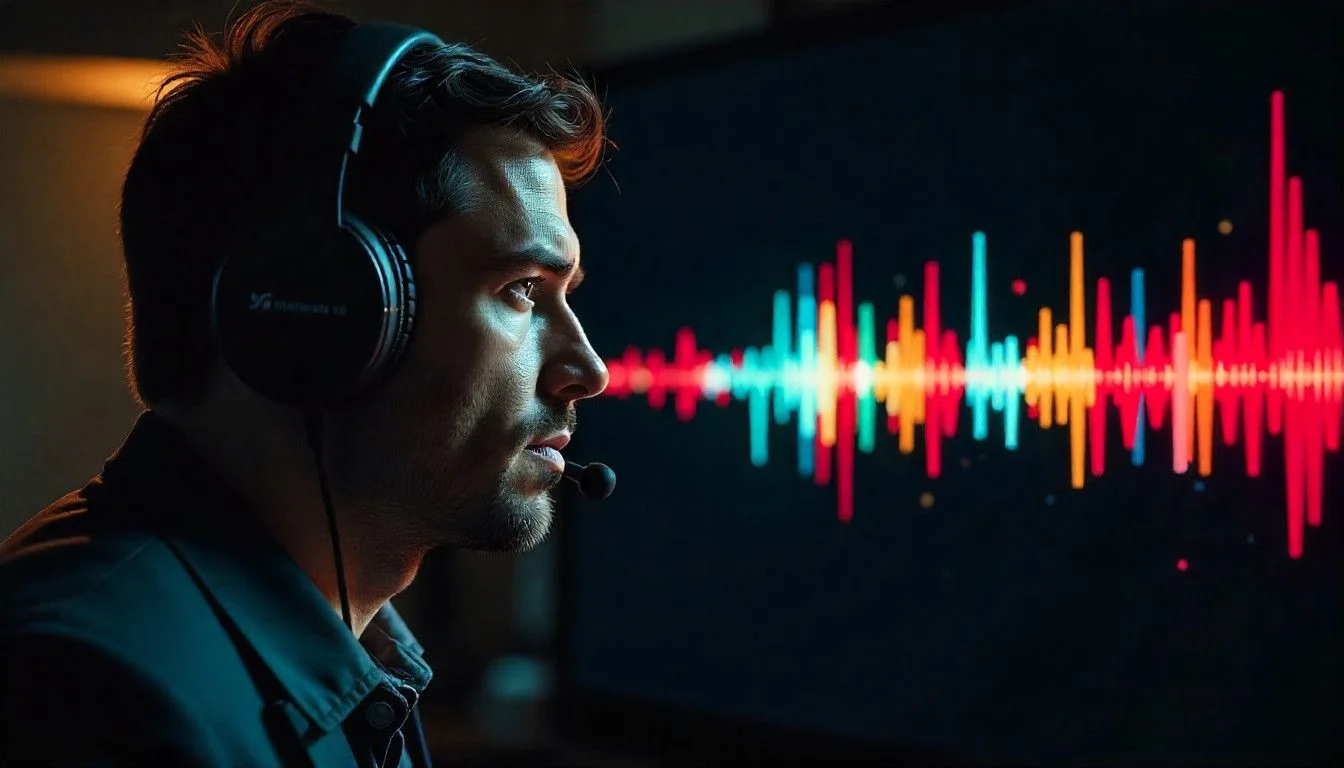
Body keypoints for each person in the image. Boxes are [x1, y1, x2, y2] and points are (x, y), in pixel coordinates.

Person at [0, 1, 609, 765]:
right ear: (323, 306)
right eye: (521, 289)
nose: (588, 370)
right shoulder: (88, 696)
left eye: (566, 294)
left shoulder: (353, 664)